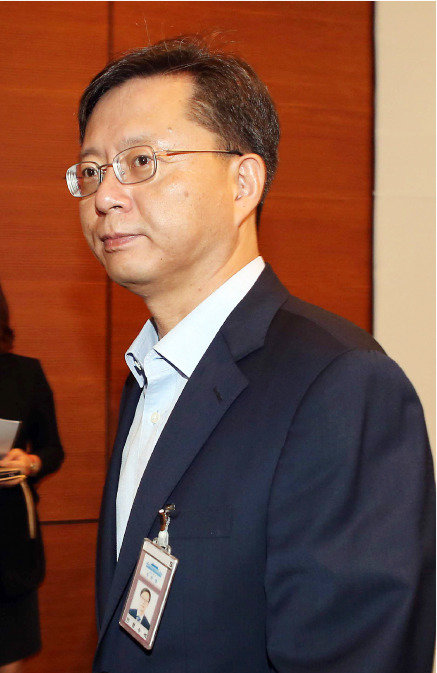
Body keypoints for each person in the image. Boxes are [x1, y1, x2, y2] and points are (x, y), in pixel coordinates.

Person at [66, 37, 435, 673]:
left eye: (141, 161)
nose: (105, 196)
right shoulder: (149, 372)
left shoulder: (341, 385)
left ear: (243, 182)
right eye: (92, 170)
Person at [0, 264, 64, 673]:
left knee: (6, 660)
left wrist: (30, 463)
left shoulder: (24, 375)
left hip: (7, 542)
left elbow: (53, 449)